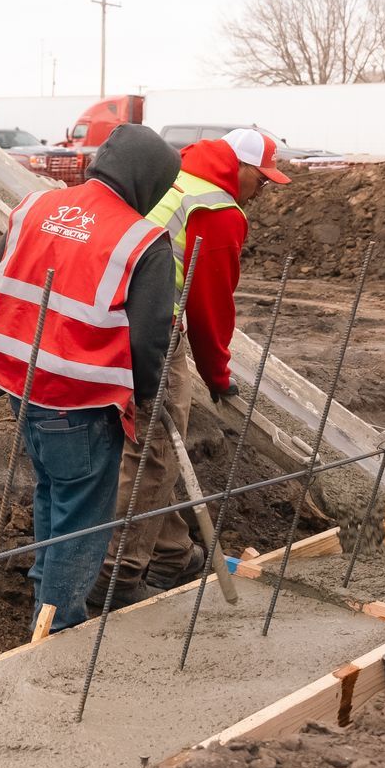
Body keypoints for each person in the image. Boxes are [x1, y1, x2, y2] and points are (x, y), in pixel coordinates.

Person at [0, 124, 180, 631]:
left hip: (18, 383)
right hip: (80, 400)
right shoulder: (143, 240)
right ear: (149, 182)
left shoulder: (34, 207)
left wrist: (37, 347)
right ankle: (60, 624)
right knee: (82, 518)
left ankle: (46, 589)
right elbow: (149, 338)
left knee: (53, 489)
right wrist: (145, 396)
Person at [101, 128, 289, 604]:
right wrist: (218, 376)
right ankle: (117, 578)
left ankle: (170, 552)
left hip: (105, 315)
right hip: (153, 327)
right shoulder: (218, 211)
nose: (262, 190)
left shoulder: (177, 175)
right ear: (240, 168)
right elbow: (210, 305)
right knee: (155, 450)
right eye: (261, 179)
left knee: (149, 450)